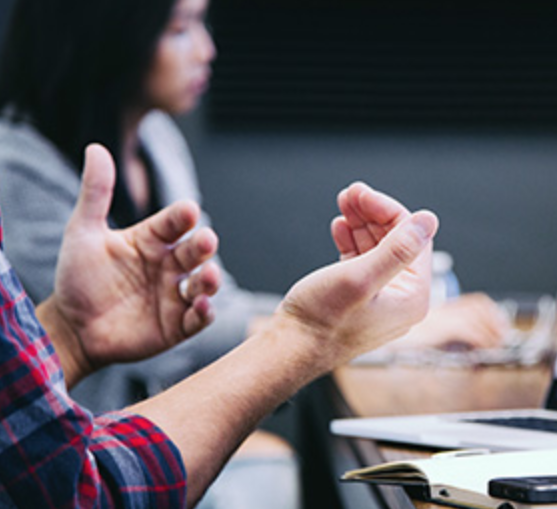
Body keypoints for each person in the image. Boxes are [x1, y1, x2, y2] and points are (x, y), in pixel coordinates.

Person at [0, 142, 439, 508]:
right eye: (178, 31)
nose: (207, 49)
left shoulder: (158, 138)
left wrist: (68, 335)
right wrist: (309, 335)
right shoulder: (19, 164)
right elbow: (82, 492)